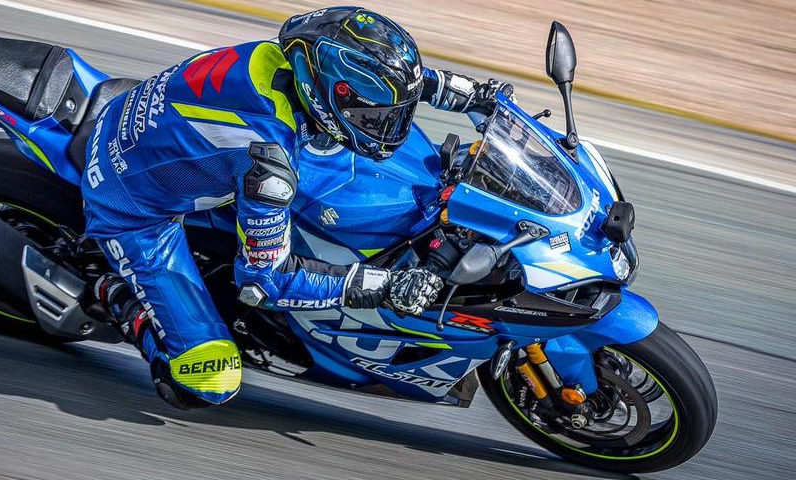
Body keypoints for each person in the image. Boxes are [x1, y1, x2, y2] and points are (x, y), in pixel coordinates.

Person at [82, 6, 513, 409]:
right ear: (325, 93)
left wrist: (476, 96)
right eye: (375, 116)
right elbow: (264, 282)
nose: (386, 127)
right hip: (133, 207)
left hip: (157, 137)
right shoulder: (268, 163)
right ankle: (114, 294)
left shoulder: (292, 58)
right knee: (207, 378)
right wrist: (383, 285)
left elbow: (397, 78)